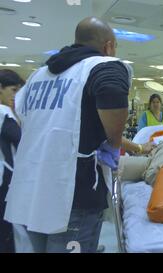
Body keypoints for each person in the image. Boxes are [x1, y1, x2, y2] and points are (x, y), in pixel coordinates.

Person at [4, 17, 131, 253]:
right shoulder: (102, 66)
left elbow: (23, 116)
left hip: (32, 188)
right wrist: (113, 144)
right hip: (73, 193)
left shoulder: (37, 76)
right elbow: (112, 87)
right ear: (109, 46)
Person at [0, 69, 26, 253]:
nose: (16, 96)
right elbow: (22, 140)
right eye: (13, 90)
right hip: (6, 180)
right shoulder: (4, 113)